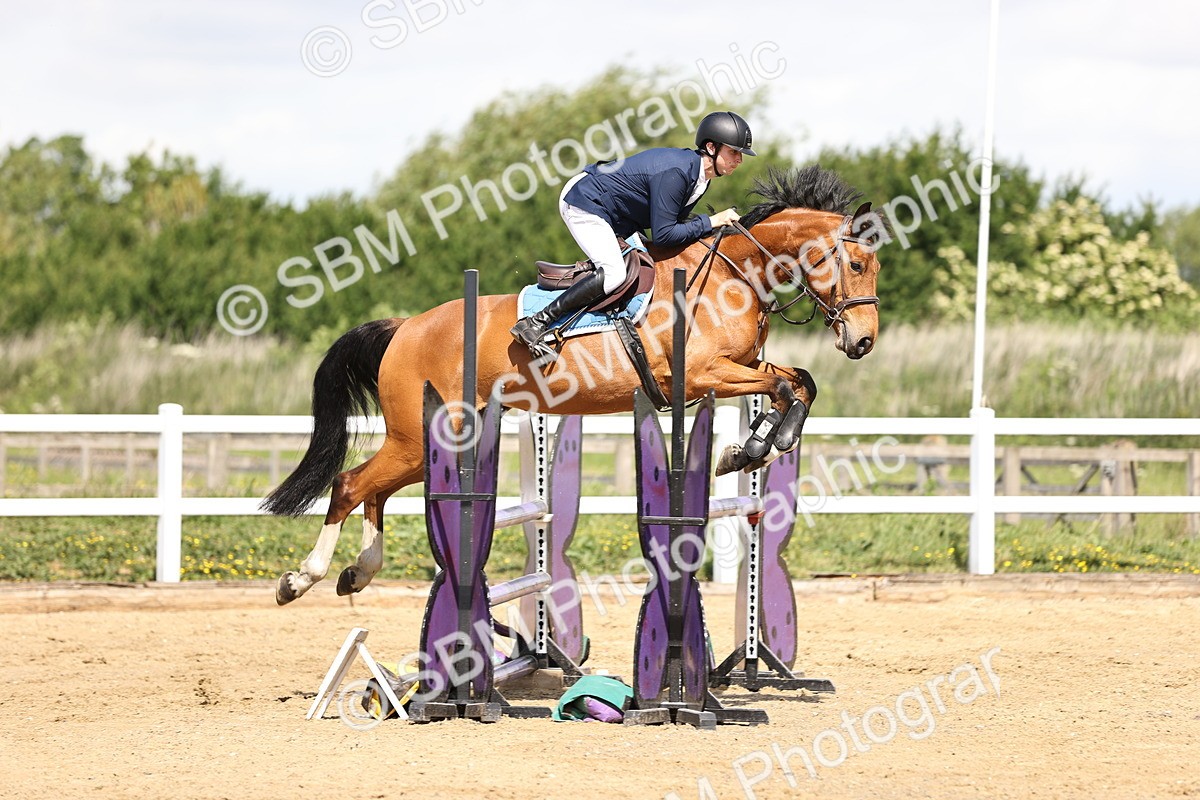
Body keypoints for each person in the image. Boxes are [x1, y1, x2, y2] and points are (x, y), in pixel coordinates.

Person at [511, 110, 756, 358]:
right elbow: (664, 235)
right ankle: (537, 322)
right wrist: (711, 221)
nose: (739, 160)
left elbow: (674, 225)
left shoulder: (701, 179)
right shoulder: (677, 172)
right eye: (733, 152)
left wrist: (712, 227)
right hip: (585, 201)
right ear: (711, 147)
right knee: (614, 273)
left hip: (616, 213)